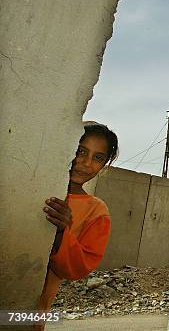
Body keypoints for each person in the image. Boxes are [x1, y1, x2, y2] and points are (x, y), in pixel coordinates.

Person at [36, 121, 118, 329]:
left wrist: (62, 232)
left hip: (30, 313)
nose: (87, 162)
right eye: (81, 151)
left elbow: (78, 268)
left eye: (98, 158)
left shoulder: (96, 211)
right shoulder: (33, 184)